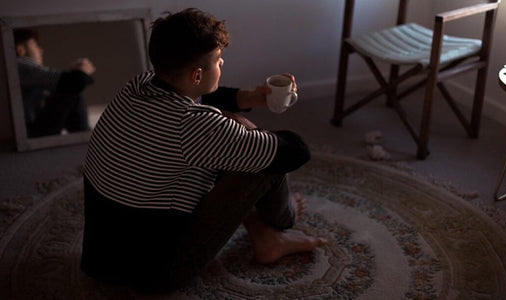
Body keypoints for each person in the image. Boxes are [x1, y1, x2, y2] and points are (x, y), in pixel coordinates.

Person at [81, 8, 326, 293]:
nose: (222, 64)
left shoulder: (136, 86)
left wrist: (247, 98)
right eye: (219, 61)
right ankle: (283, 221)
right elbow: (297, 151)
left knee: (227, 150)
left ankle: (264, 237)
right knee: (259, 162)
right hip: (155, 275)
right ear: (197, 74)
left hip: (102, 262)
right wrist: (248, 130)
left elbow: (198, 93)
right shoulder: (192, 125)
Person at [14, 28, 95, 137]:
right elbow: (75, 81)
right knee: (72, 90)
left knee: (71, 89)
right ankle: (87, 140)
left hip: (30, 130)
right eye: (36, 46)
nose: (41, 50)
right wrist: (81, 71)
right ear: (20, 50)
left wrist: (77, 75)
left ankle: (86, 139)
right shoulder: (20, 65)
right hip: (30, 132)